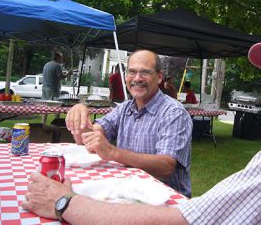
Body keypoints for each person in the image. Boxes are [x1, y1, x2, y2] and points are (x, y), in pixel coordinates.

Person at [22, 30, 261, 224]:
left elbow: (184, 206)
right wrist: (83, 110)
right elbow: (98, 127)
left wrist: (65, 202)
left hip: (165, 199)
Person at [66, 50, 191, 197]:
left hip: (167, 200)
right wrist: (80, 111)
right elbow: (87, 138)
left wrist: (113, 153)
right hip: (128, 192)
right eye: (132, 72)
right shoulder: (125, 108)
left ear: (159, 77)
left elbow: (166, 166)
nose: (137, 78)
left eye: (145, 72)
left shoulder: (174, 112)